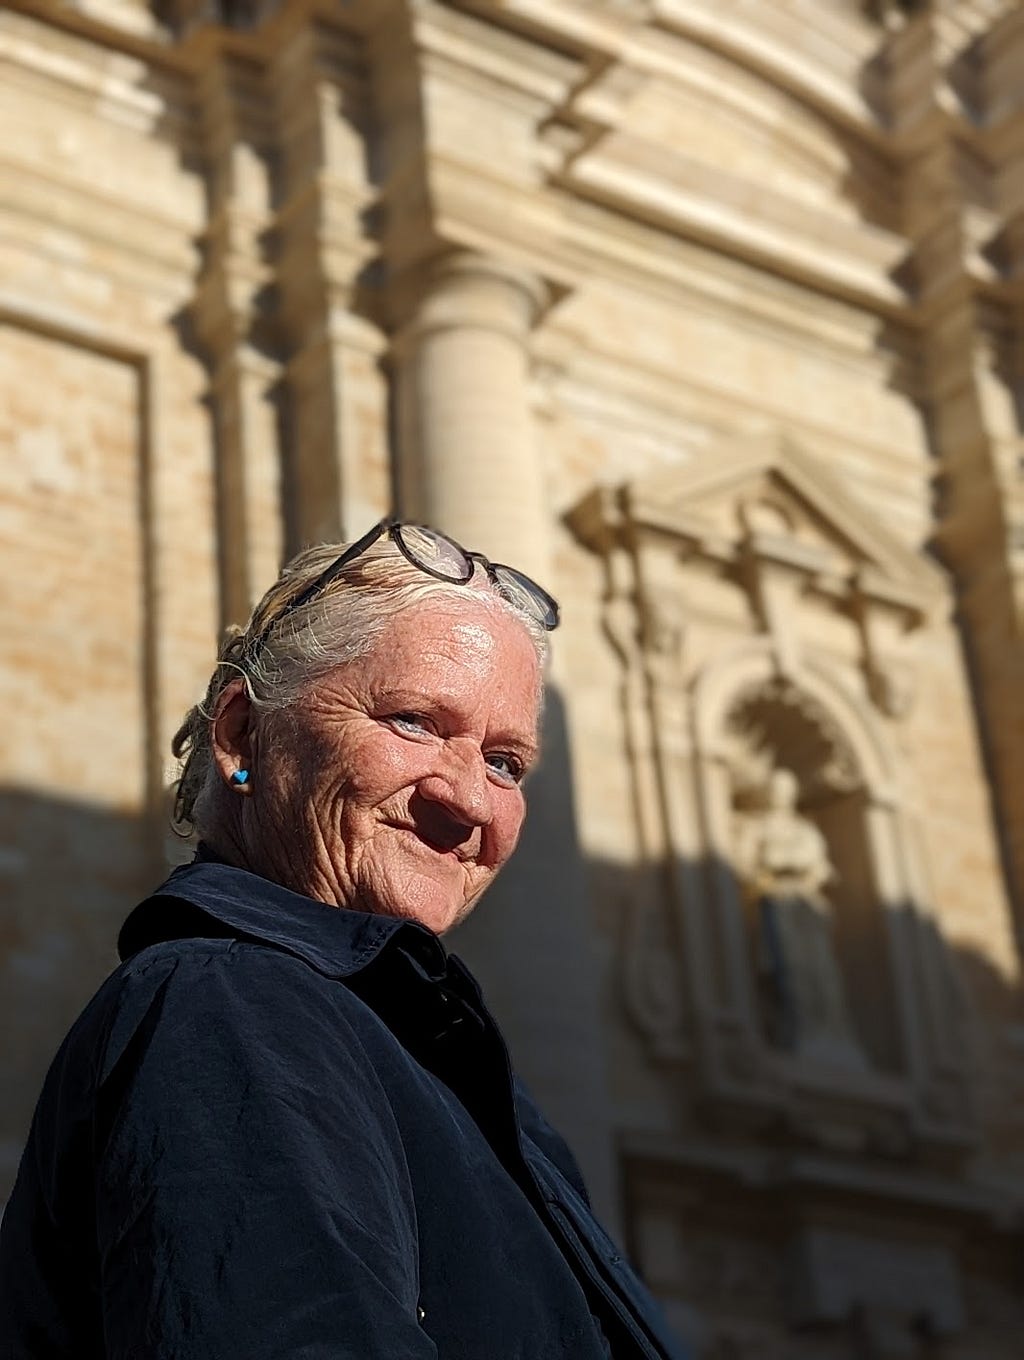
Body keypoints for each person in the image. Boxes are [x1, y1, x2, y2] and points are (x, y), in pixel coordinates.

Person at [0, 518, 686, 1359]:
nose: (469, 800)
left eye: (506, 762)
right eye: (413, 722)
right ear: (243, 737)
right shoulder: (234, 1008)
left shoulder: (417, 1052)